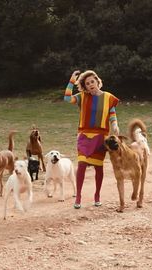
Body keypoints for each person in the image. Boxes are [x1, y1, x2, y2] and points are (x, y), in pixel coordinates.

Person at [64, 70, 120, 209]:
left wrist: (115, 124)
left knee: (98, 167)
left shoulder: (108, 97)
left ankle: (97, 196)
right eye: (87, 83)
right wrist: (72, 81)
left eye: (92, 82)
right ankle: (78, 197)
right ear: (85, 86)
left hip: (101, 137)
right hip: (84, 135)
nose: (90, 85)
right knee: (82, 164)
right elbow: (67, 99)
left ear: (97, 81)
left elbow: (112, 114)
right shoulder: (82, 96)